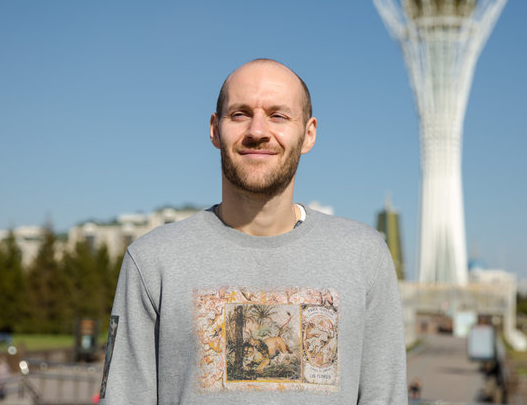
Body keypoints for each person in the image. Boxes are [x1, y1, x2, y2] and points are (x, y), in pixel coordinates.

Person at [99, 58, 407, 404]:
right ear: (215, 130)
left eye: (278, 116)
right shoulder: (152, 259)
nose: (258, 131)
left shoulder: (364, 256)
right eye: (240, 114)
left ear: (308, 134)